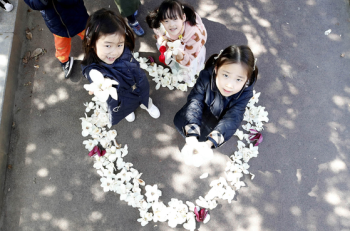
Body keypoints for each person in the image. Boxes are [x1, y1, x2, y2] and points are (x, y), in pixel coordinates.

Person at [81, 9, 160, 125]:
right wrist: (98, 85)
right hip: (121, 95)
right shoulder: (93, 68)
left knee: (145, 97)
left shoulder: (125, 48)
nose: (114, 52)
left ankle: (147, 104)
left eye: (119, 44)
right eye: (108, 45)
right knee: (126, 106)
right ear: (91, 43)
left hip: (139, 82)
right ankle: (128, 111)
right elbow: (92, 74)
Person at [173, 45, 258, 150]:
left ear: (247, 79)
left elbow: (233, 117)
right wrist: (191, 133)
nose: (230, 85)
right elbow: (195, 101)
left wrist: (209, 143)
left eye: (239, 79)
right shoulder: (206, 76)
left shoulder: (245, 93)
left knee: (203, 140)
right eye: (226, 75)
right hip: (195, 113)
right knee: (189, 134)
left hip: (216, 124)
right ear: (216, 69)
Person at [146, 0, 207, 85]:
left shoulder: (194, 35)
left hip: (190, 52)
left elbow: (189, 59)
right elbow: (160, 36)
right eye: (166, 21)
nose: (171, 24)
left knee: (190, 66)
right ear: (161, 21)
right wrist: (164, 43)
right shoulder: (159, 26)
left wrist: (178, 53)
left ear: (184, 17)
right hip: (176, 46)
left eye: (175, 19)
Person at [24, 0, 89, 78]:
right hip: (56, 23)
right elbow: (34, 4)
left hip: (76, 15)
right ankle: (64, 61)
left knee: (89, 35)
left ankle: (97, 51)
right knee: (61, 45)